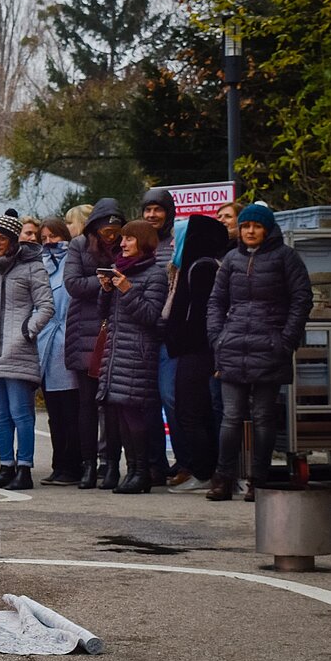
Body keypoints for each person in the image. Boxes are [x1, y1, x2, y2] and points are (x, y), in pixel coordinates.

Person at [206, 204, 313, 501]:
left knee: (263, 417)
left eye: (256, 226)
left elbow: (302, 299)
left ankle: (259, 481)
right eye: (245, 226)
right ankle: (224, 479)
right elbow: (216, 301)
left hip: (270, 348)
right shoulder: (232, 259)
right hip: (233, 347)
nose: (250, 231)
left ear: (268, 229)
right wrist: (217, 337)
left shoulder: (286, 257)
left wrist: (286, 340)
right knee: (231, 417)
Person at [0, 210, 54, 490]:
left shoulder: (33, 267)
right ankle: (6, 466)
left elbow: (46, 306)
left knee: (21, 413)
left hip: (19, 349)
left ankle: (24, 468)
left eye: (1, 239)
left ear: (13, 240)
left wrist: (27, 330)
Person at [97, 220, 168, 495]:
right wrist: (106, 290)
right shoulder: (120, 270)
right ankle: (132, 470)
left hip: (138, 351)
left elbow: (150, 316)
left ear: (143, 242)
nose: (123, 243)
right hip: (117, 349)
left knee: (134, 414)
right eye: (123, 239)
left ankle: (143, 472)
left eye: (129, 239)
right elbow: (105, 313)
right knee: (121, 415)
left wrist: (127, 290)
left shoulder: (155, 274)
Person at [163, 216, 232, 494]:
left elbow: (201, 316)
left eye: (177, 237)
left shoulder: (202, 268)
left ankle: (203, 471)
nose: (172, 243)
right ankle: (203, 469)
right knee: (195, 411)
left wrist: (180, 339)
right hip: (195, 351)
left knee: (190, 412)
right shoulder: (193, 266)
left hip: (198, 352)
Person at [63, 200, 125, 490]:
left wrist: (113, 282)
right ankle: (88, 464)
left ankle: (111, 464)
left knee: (112, 404)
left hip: (115, 328)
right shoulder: (79, 245)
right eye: (105, 231)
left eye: (115, 231)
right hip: (84, 330)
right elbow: (72, 284)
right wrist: (103, 282)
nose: (110, 236)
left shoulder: (126, 243)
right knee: (86, 403)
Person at [36, 217, 83, 486]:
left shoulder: (73, 263)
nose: (49, 242)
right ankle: (59, 464)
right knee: (54, 412)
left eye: (53, 236)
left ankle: (73, 465)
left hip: (66, 341)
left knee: (70, 410)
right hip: (45, 343)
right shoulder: (41, 265)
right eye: (43, 238)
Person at [141, 187, 179, 483]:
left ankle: (184, 461)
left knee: (170, 397)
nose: (152, 215)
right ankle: (154, 463)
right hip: (142, 332)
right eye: (148, 209)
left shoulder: (178, 242)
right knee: (146, 401)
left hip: (170, 334)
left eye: (158, 209)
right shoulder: (139, 242)